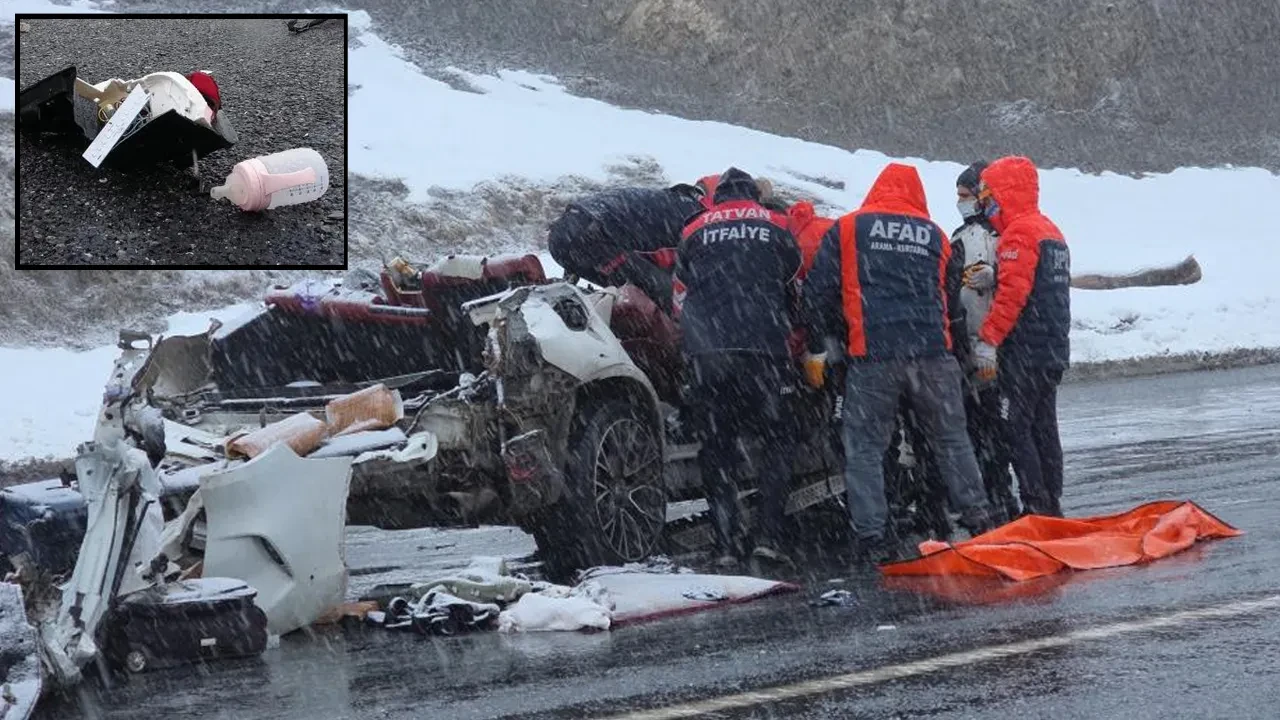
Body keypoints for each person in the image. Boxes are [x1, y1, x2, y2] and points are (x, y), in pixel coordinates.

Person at [803, 162, 994, 564]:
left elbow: (818, 292)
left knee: (866, 449)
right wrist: (959, 359)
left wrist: (818, 348)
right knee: (951, 441)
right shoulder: (935, 235)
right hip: (932, 355)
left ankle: (873, 536)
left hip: (874, 356)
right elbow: (952, 304)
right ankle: (979, 520)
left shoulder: (849, 228)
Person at [674, 167, 803, 567]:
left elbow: (679, 292)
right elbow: (794, 283)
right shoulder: (777, 225)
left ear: (719, 197)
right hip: (764, 351)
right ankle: (768, 536)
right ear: (753, 195)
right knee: (778, 441)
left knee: (717, 447)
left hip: (708, 355)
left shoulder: (693, 229)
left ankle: (727, 542)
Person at [973, 156, 1071, 518]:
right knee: (1046, 426)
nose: (986, 206)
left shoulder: (1017, 234)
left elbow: (1014, 296)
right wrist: (999, 273)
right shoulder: (1050, 230)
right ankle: (1052, 501)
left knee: (1018, 427)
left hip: (1026, 351)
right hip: (1052, 348)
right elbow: (1038, 285)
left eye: (989, 197)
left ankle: (1034, 504)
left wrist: (989, 339)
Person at [948, 162, 1020, 524]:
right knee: (990, 429)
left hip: (987, 345)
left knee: (989, 429)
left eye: (965, 195)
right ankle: (1002, 498)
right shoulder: (969, 236)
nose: (959, 202)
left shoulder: (990, 236)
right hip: (984, 345)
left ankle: (998, 499)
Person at [546, 182, 705, 313]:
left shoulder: (667, 199)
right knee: (669, 299)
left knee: (630, 297)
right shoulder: (698, 218)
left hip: (564, 234)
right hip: (591, 235)